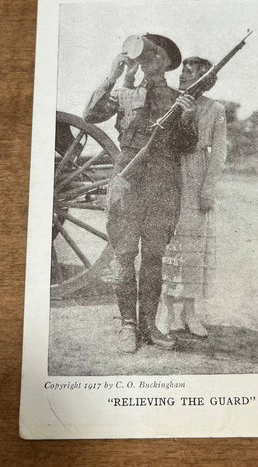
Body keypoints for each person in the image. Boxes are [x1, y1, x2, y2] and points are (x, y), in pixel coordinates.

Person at [83, 34, 198, 353]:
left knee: (153, 258)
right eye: (143, 56)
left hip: (163, 181)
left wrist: (188, 117)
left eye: (153, 56)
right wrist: (112, 75)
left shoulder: (180, 99)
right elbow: (90, 114)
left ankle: (149, 325)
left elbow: (187, 146)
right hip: (127, 181)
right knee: (123, 256)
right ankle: (128, 326)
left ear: (165, 63)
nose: (147, 61)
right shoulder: (123, 93)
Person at [158, 57, 227, 338]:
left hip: (195, 176)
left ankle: (189, 312)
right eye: (182, 71)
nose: (183, 76)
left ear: (204, 78)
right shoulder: (168, 101)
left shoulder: (215, 108)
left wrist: (207, 189)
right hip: (168, 174)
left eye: (190, 72)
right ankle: (166, 312)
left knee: (192, 251)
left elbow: (219, 152)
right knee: (166, 245)